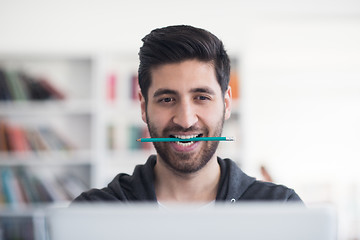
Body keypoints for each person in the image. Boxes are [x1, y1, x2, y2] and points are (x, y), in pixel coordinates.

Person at [73, 25, 302, 205]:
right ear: (143, 107)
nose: (185, 120)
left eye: (201, 97)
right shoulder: (93, 210)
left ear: (226, 103)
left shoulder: (280, 207)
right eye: (167, 99)